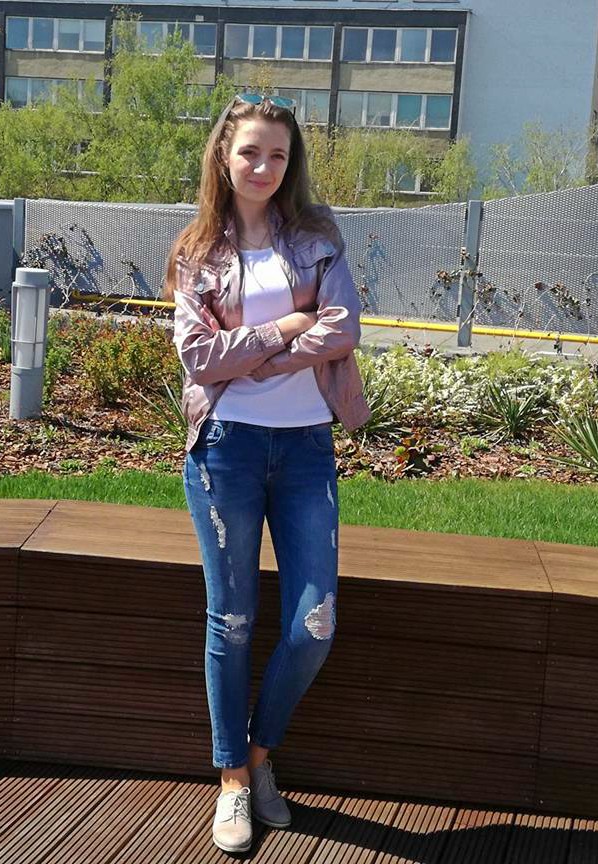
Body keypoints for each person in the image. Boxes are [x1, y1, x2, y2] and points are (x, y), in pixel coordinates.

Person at [164, 92, 370, 854]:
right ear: (224, 155)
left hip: (306, 448)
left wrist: (257, 354)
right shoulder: (197, 252)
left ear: (292, 162)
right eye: (250, 151)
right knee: (232, 620)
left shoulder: (317, 236)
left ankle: (257, 758)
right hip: (227, 451)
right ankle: (231, 782)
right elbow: (198, 356)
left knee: (315, 624)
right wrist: (286, 326)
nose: (264, 166)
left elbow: (342, 327)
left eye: (278, 154)